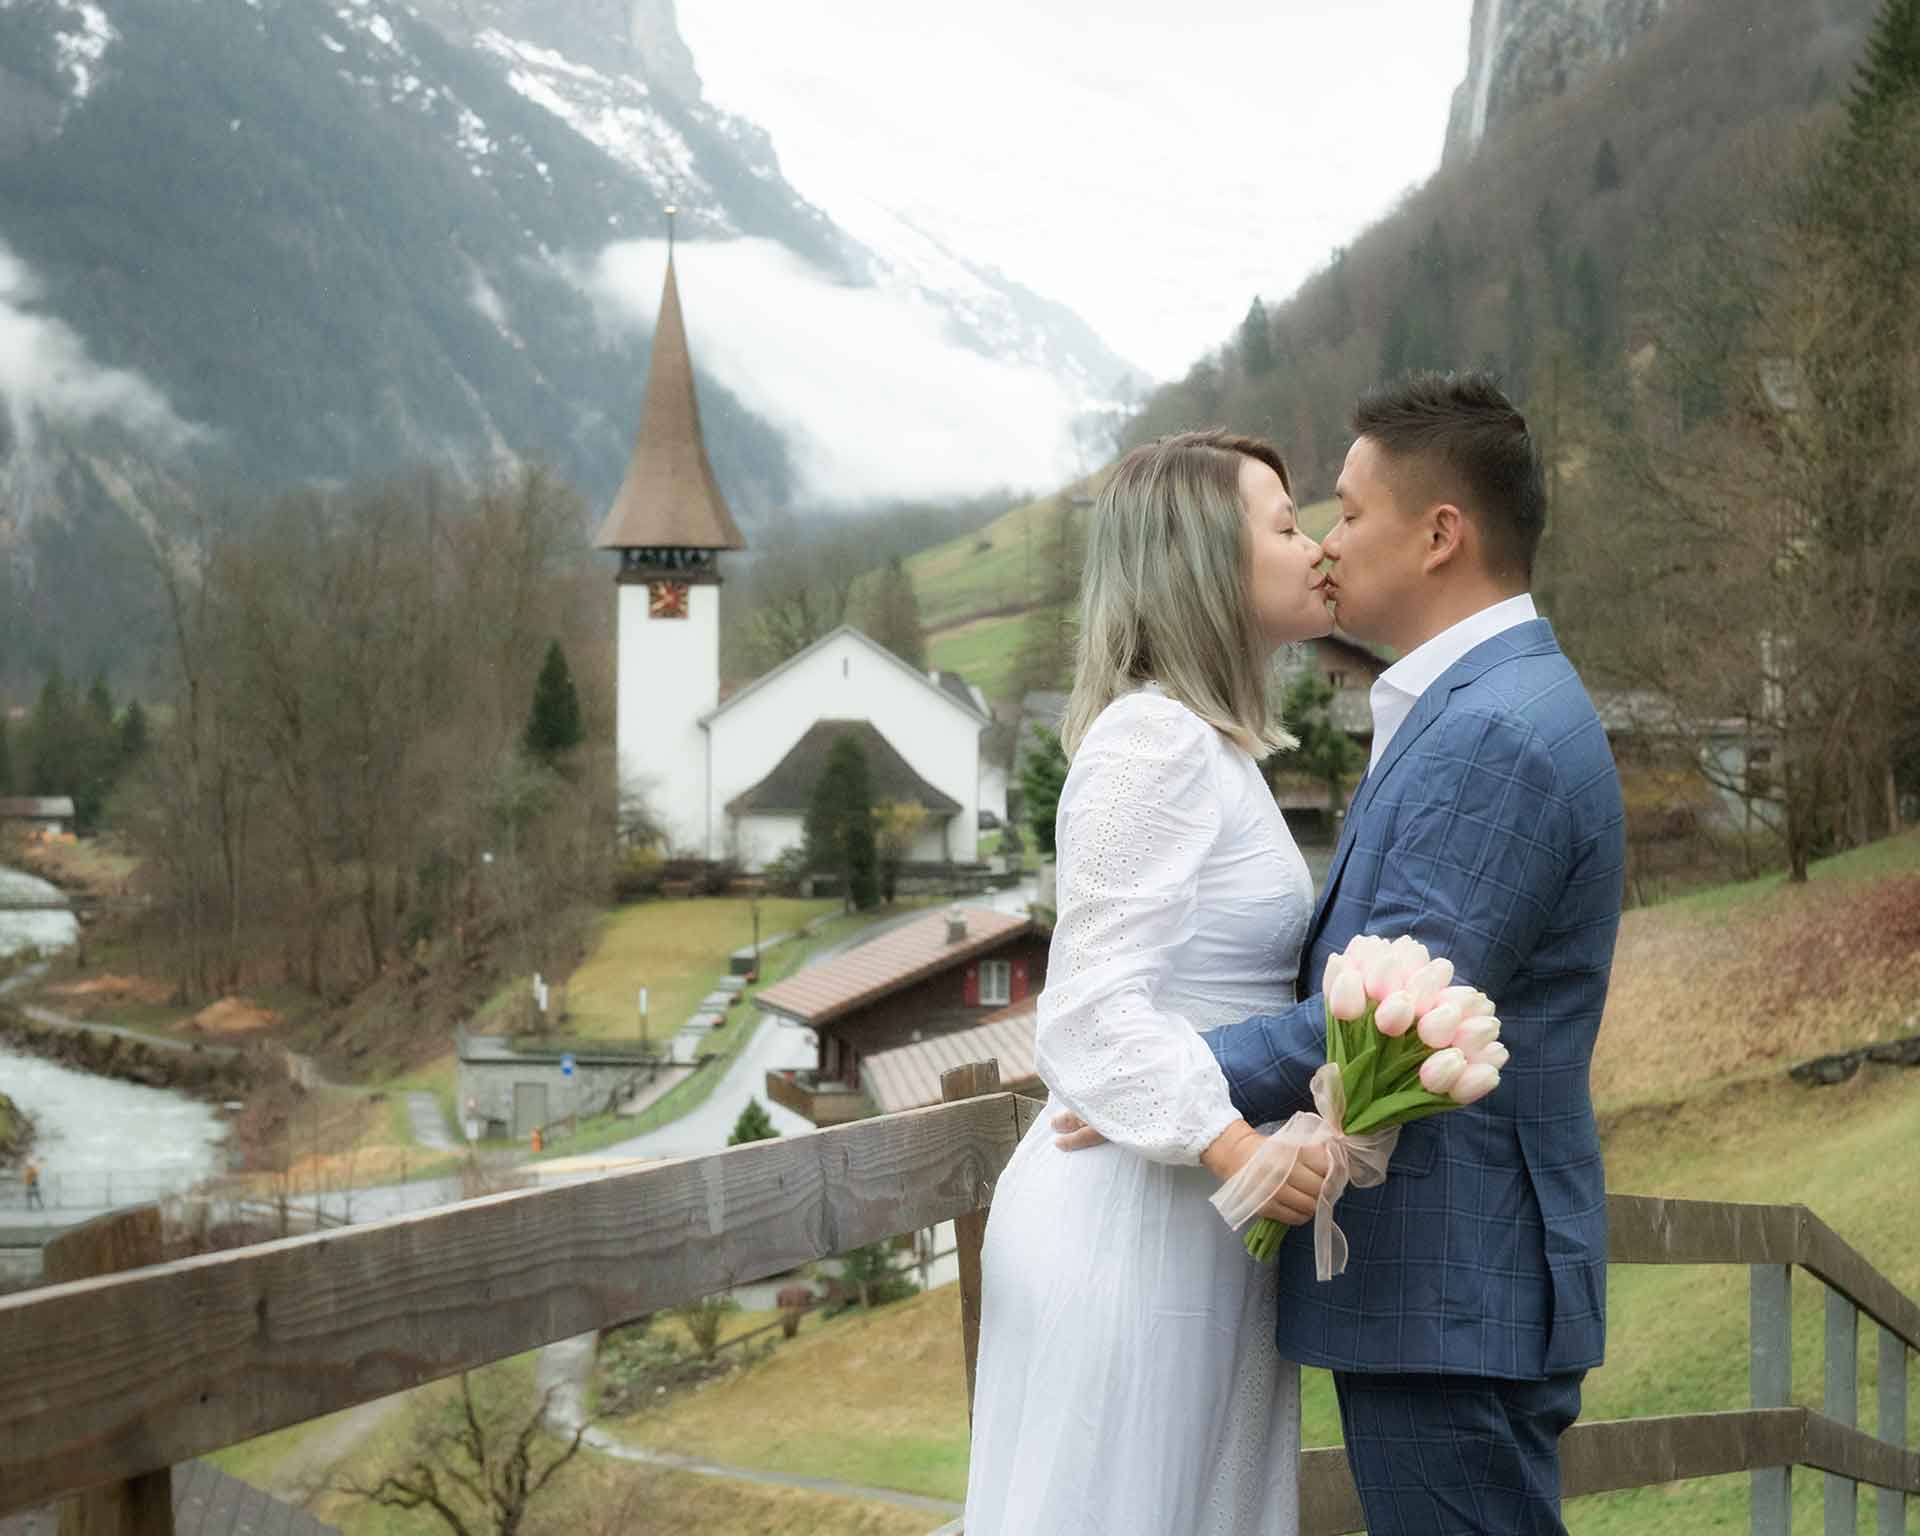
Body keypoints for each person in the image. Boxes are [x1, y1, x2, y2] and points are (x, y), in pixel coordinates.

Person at [1057, 372, 1627, 1534]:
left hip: (1452, 1290)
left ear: (1438, 535)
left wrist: (1166, 1075)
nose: (1326, 540)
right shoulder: (1478, 705)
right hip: (1447, 1289)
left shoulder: (1491, 735)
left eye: (1350, 512)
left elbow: (1384, 1014)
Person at [963, 428, 1337, 1535]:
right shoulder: (1152, 745)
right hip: (1130, 1228)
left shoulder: (1213, 749)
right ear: (1206, 563)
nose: (1313, 544)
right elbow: (1086, 1009)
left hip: (1194, 1223)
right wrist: (1238, 1153)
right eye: (1284, 525)